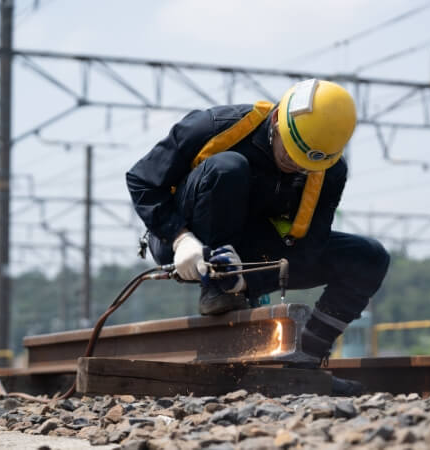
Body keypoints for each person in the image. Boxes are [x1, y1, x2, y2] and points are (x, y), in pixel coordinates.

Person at [126, 79, 390, 395]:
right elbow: (142, 181)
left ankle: (305, 361)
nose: (295, 168)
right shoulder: (213, 126)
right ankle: (216, 292)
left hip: (254, 253)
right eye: (291, 155)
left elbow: (309, 250)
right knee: (229, 168)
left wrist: (249, 282)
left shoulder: (329, 170)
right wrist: (180, 238)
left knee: (369, 257)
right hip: (188, 238)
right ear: (277, 120)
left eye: (305, 165)